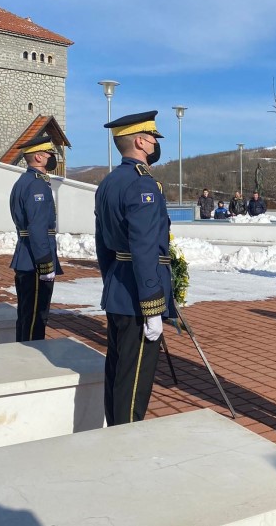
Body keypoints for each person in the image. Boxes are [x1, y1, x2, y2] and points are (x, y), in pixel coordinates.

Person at [95, 110, 175, 426]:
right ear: (140, 141)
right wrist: (152, 306)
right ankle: (124, 444)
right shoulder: (143, 185)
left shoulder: (109, 183)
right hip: (138, 297)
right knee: (134, 382)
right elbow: (143, 248)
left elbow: (103, 246)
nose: (156, 142)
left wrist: (111, 281)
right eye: (153, 136)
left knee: (118, 372)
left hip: (119, 288)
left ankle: (115, 433)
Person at [9, 134, 63, 342]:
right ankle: (31, 358)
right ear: (39, 157)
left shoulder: (24, 181)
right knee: (36, 317)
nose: (52, 157)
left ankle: (24, 354)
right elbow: (38, 226)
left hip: (26, 255)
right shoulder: (37, 185)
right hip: (35, 260)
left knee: (25, 315)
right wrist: (45, 263)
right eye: (50, 153)